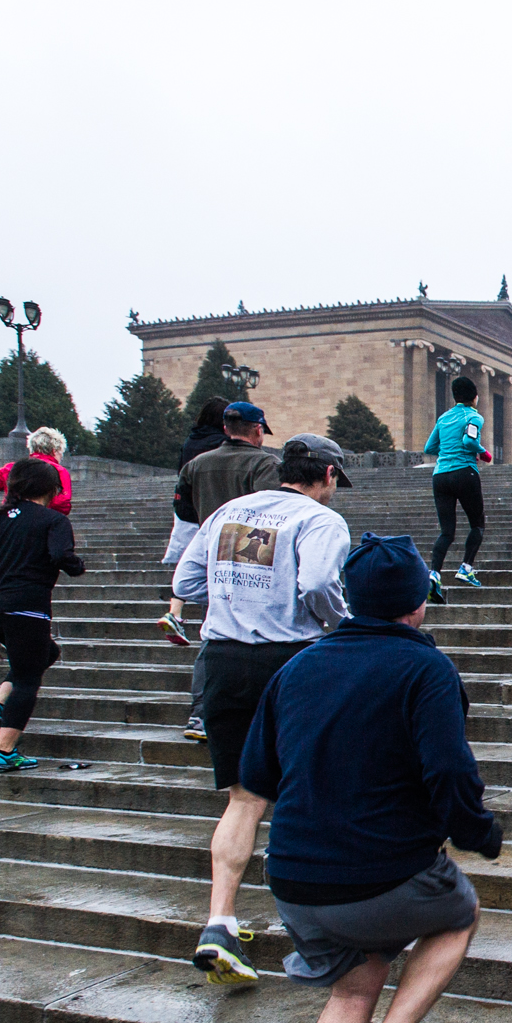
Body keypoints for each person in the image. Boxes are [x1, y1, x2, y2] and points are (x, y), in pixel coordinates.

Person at [241, 533, 501, 1023]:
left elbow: (259, 774)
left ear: (352, 598)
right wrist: (479, 833)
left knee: (352, 991)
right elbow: (449, 772)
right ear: (419, 600)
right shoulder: (425, 670)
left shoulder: (297, 667)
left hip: (296, 880)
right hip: (383, 873)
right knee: (459, 912)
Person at [174, 433, 354, 984]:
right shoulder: (320, 521)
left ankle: (220, 922)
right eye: (334, 482)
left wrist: (236, 599)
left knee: (244, 797)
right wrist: (341, 626)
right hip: (292, 660)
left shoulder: (230, 511)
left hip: (224, 659)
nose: (333, 492)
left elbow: (185, 582)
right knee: (309, 787)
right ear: (324, 473)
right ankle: (321, 923)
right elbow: (320, 583)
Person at [0, 457, 85, 772]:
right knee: (28, 675)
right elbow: (61, 555)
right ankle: (3, 752)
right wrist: (76, 566)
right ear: (51, 489)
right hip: (25, 607)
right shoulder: (53, 520)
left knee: (45, 652)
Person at [171, 400, 281, 739]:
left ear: (225, 429)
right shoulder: (266, 464)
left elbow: (184, 512)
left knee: (214, 634)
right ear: (258, 430)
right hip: (252, 554)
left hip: (211, 555)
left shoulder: (196, 465)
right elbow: (271, 509)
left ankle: (201, 714)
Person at [154, 397, 229, 648]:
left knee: (188, 563)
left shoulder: (190, 441)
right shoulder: (221, 443)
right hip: (210, 510)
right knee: (213, 564)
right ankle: (214, 618)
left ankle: (174, 612)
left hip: (185, 510)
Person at [423, 376, 493, 586]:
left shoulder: (443, 418)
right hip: (464, 472)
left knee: (447, 531)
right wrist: (484, 453)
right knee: (477, 524)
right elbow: (469, 441)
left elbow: (429, 448)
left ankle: (434, 574)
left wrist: (446, 450)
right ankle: (466, 568)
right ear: (475, 397)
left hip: (440, 476)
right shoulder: (474, 416)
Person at [0, 427, 74, 516]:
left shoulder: (11, 468)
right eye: (61, 453)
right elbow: (63, 503)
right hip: (44, 522)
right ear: (54, 451)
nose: (61, 457)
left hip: (13, 520)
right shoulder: (59, 471)